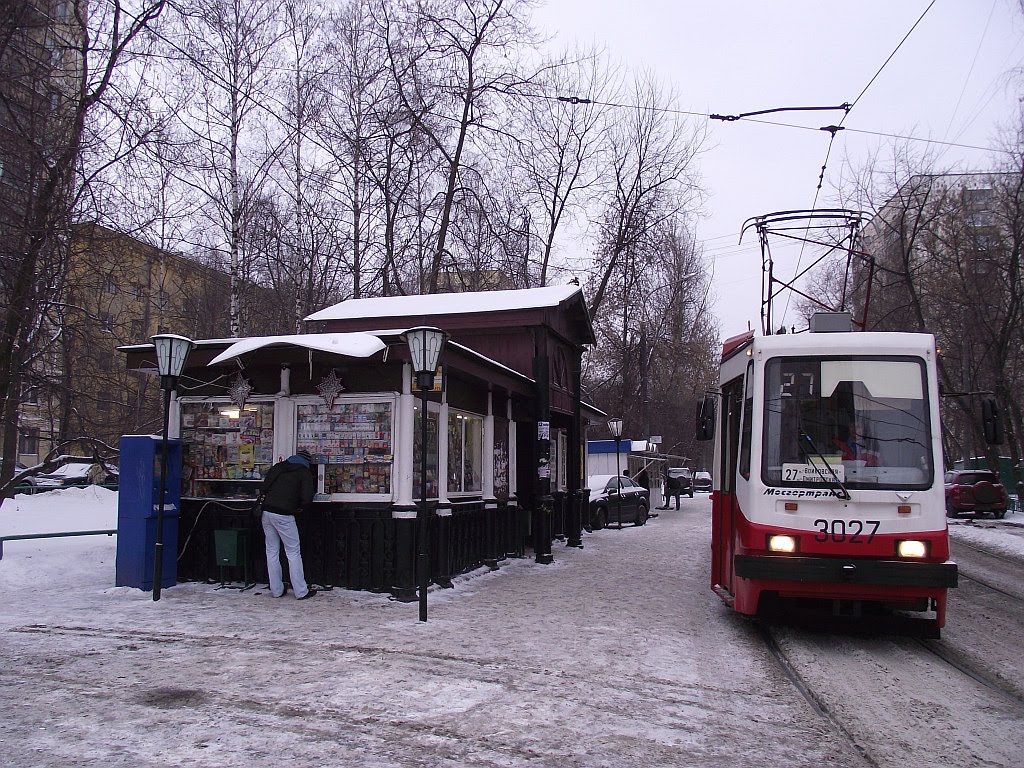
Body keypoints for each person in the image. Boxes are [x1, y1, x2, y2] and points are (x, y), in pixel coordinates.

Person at [260, 449, 318, 600]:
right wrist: (298, 507)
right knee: (293, 552)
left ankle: (276, 590)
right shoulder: (303, 472)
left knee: (271, 551)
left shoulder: (278, 467)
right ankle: (300, 591)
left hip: (267, 512)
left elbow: (264, 487)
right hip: (284, 514)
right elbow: (307, 498)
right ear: (307, 462)